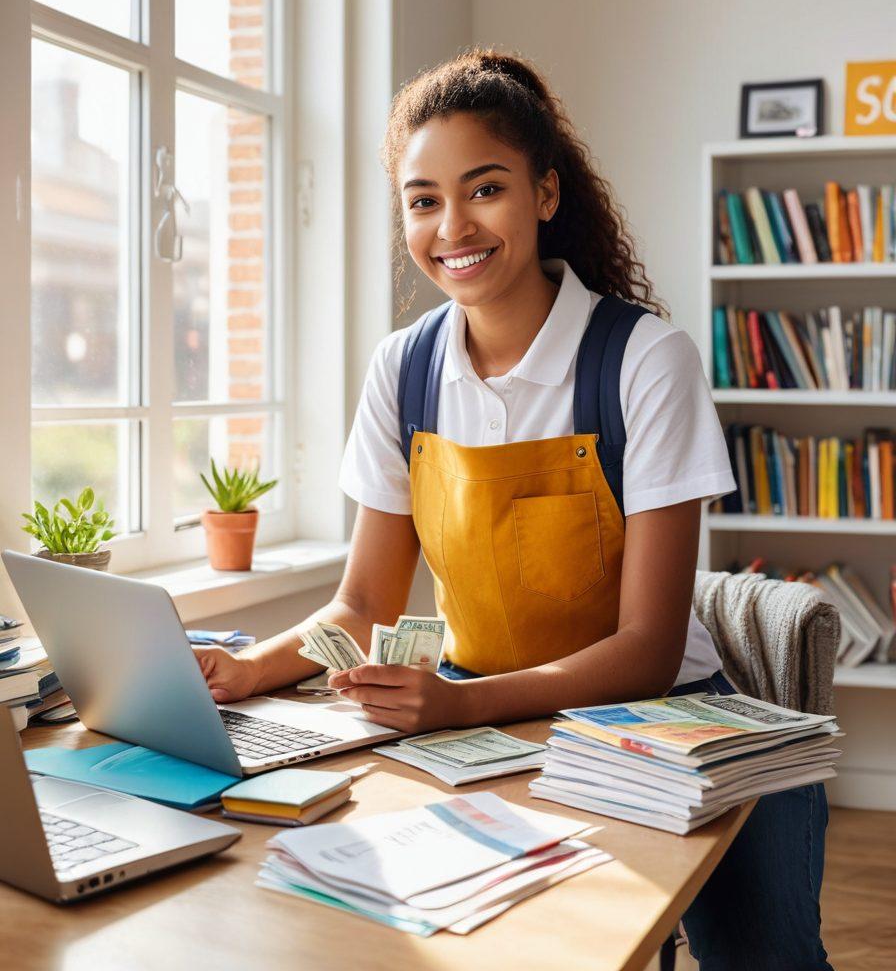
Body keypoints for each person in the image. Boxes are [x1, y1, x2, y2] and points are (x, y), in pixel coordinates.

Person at [195, 49, 831, 971]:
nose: (452, 225)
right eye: (422, 200)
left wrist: (459, 705)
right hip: (478, 721)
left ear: (544, 193)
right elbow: (362, 604)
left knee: (764, 962)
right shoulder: (402, 368)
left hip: (659, 720)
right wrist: (242, 672)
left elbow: (649, 647)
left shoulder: (646, 360)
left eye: (483, 188)